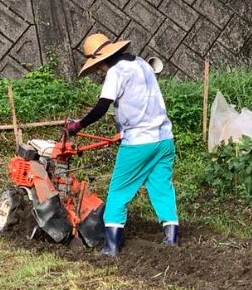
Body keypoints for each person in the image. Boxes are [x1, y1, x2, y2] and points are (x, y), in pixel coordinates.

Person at [64, 33, 178, 255]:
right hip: (164, 138)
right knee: (161, 187)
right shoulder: (141, 62)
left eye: (97, 67)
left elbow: (102, 107)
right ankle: (171, 238)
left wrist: (78, 126)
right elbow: (138, 101)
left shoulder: (116, 72)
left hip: (139, 142)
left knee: (118, 192)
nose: (99, 71)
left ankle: (111, 248)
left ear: (101, 60)